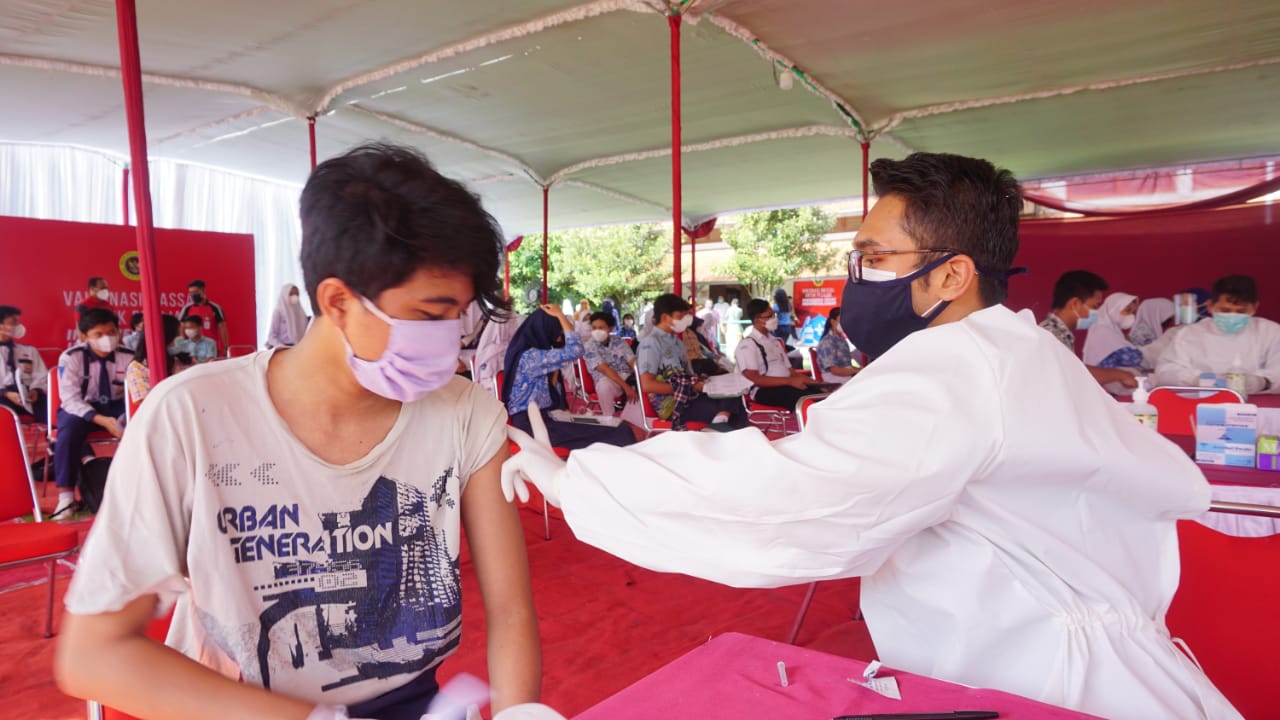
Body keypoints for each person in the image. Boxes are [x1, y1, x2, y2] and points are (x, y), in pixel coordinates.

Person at [502, 152, 1239, 720]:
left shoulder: (953, 370)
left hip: (1045, 680)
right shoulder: (1017, 349)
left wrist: (582, 481)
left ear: (950, 276)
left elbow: (793, 497)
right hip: (1091, 663)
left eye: (874, 258)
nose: (855, 277)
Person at [56, 143, 542, 720]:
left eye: (460, 315)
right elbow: (94, 655)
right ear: (337, 300)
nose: (451, 338)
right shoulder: (191, 416)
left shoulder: (465, 414)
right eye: (429, 316)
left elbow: (511, 613)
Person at [501, 306, 635, 450]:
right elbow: (576, 350)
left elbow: (553, 393)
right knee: (618, 432)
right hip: (533, 424)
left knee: (616, 426)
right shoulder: (531, 357)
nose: (560, 337)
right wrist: (560, 315)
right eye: (558, 331)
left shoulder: (535, 354)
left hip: (545, 418)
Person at [52, 307, 132, 517]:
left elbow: (136, 393)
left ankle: (139, 489)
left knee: (145, 422)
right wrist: (101, 420)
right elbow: (69, 399)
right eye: (99, 334)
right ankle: (66, 497)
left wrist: (125, 418)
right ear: (85, 336)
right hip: (83, 408)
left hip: (117, 407)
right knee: (68, 430)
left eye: (112, 332)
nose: (107, 338)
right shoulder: (71, 357)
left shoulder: (129, 357)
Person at [636, 294, 747, 431]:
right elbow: (648, 385)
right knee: (733, 412)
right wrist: (692, 386)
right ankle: (719, 427)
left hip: (690, 396)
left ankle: (718, 426)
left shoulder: (677, 342)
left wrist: (702, 381)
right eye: (680, 316)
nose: (685, 320)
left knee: (733, 394)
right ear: (665, 317)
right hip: (673, 405)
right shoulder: (651, 343)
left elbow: (689, 375)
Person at [1156, 274, 1280, 394]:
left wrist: (1263, 382)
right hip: (1201, 401)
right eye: (1225, 310)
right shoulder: (1189, 334)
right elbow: (1166, 371)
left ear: (1255, 308)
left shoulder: (1271, 332)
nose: (1233, 315)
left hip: (1257, 405)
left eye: (1241, 311)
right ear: (1210, 306)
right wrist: (1195, 379)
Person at [1038, 270, 1139, 390]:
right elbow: (1073, 371)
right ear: (1075, 304)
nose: (1096, 313)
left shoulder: (1061, 333)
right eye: (1094, 307)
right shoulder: (1051, 334)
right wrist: (1120, 375)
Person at [734, 299, 821, 410]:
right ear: (757, 320)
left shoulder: (775, 342)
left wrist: (815, 383)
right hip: (763, 390)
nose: (774, 318)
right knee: (805, 401)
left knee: (822, 396)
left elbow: (790, 372)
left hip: (786, 385)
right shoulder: (747, 345)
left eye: (774, 314)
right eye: (770, 316)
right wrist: (789, 381)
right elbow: (753, 379)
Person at [583, 311, 637, 417]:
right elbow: (605, 370)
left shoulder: (619, 341)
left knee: (643, 383)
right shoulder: (589, 346)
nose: (597, 331)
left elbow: (632, 361)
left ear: (610, 328)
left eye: (601, 327)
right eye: (594, 328)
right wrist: (626, 387)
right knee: (604, 386)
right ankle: (608, 417)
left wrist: (642, 375)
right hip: (607, 380)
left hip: (627, 377)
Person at [0, 305, 49, 421]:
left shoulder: (28, 350)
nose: (18, 326)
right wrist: (6, 394)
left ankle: (53, 436)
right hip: (3, 396)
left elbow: (41, 375)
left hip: (28, 395)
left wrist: (35, 390)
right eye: (13, 323)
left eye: (17, 322)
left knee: (54, 412)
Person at [124, 314, 185, 406]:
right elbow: (147, 405)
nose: (183, 339)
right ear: (167, 336)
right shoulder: (137, 368)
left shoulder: (176, 361)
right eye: (179, 335)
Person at [1081, 292, 1144, 373]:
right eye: (1127, 310)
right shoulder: (1103, 330)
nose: (1131, 315)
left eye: (1133, 312)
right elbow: (1133, 359)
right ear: (1115, 308)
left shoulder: (1112, 330)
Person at [179, 279, 229, 356]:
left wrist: (226, 348)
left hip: (211, 349)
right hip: (193, 350)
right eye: (191, 293)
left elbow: (222, 328)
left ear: (203, 290)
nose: (193, 295)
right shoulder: (187, 308)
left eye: (195, 292)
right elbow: (181, 328)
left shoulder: (215, 308)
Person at [814, 307, 859, 385]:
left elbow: (847, 366)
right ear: (833, 321)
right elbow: (835, 370)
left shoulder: (841, 340)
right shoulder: (827, 342)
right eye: (841, 321)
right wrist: (857, 371)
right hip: (835, 382)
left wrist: (861, 370)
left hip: (845, 378)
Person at [266, 283, 309, 348]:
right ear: (285, 295)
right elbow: (271, 336)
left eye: (296, 294)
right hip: (282, 347)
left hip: (298, 347)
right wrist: (282, 347)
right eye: (291, 294)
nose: (294, 296)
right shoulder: (279, 311)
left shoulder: (300, 312)